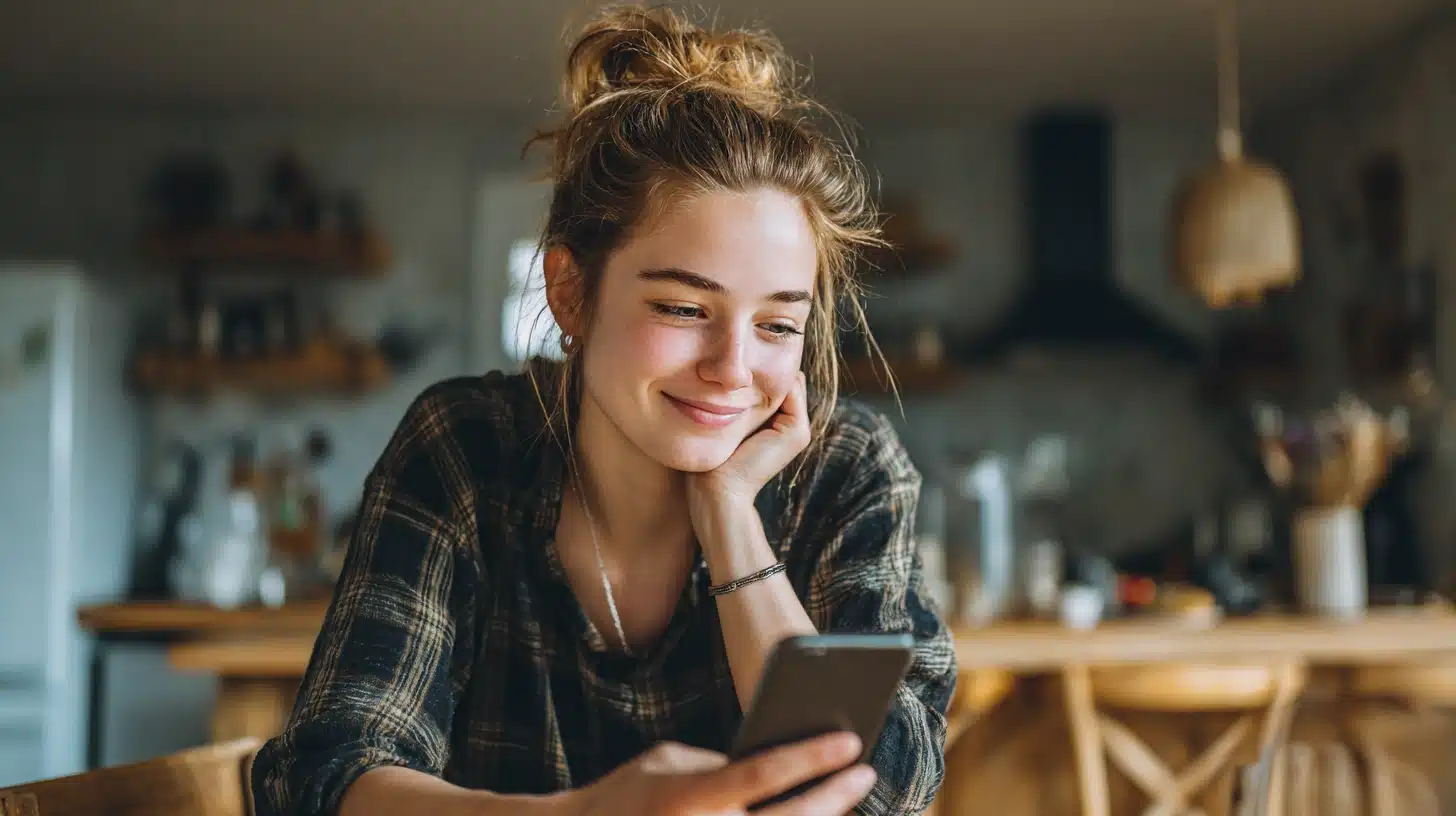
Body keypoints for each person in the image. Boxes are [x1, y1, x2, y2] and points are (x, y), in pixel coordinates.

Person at [250, 5, 957, 814]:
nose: (733, 369)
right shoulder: (467, 448)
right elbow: (323, 777)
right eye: (684, 310)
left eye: (777, 325)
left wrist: (730, 516)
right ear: (571, 293)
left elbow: (885, 790)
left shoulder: (846, 469)